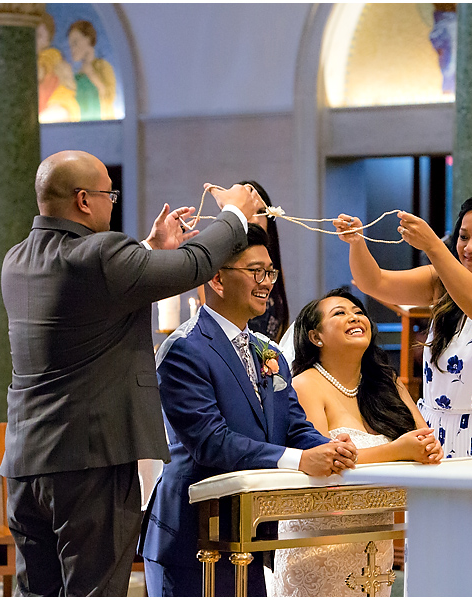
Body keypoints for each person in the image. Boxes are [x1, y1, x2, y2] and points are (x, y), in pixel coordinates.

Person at [0, 149, 264, 596]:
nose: (111, 204)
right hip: (91, 459)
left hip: (27, 461)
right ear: (84, 200)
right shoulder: (101, 253)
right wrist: (235, 214)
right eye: (109, 194)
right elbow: (195, 264)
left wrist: (149, 252)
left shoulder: (18, 260)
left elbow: (95, 286)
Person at [139, 224, 358, 597]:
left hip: (251, 531)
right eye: (255, 271)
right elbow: (211, 442)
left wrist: (327, 447)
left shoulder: (266, 350)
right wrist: (301, 460)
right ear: (218, 280)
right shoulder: (185, 349)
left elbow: (293, 424)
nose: (267, 282)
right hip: (193, 536)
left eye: (270, 271)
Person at [335, 194, 472, 467]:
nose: (469, 247)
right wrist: (357, 242)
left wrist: (433, 246)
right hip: (435, 437)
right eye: (463, 237)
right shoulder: (441, 283)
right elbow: (374, 282)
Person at [272, 287, 442, 597]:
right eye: (340, 313)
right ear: (315, 337)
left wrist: (428, 450)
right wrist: (398, 451)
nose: (355, 317)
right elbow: (321, 463)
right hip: (319, 545)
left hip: (374, 544)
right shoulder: (306, 384)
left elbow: (424, 442)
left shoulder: (387, 383)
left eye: (358, 312)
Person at [242, 180, 291, 341]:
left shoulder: (275, 266)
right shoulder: (218, 265)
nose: (256, 219)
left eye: (262, 212)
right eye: (249, 211)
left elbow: (281, 320)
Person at [67, 20, 116, 121]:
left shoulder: (103, 66)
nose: (72, 49)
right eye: (70, 45)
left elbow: (109, 97)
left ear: (87, 40)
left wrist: (91, 73)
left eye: (75, 43)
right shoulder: (75, 75)